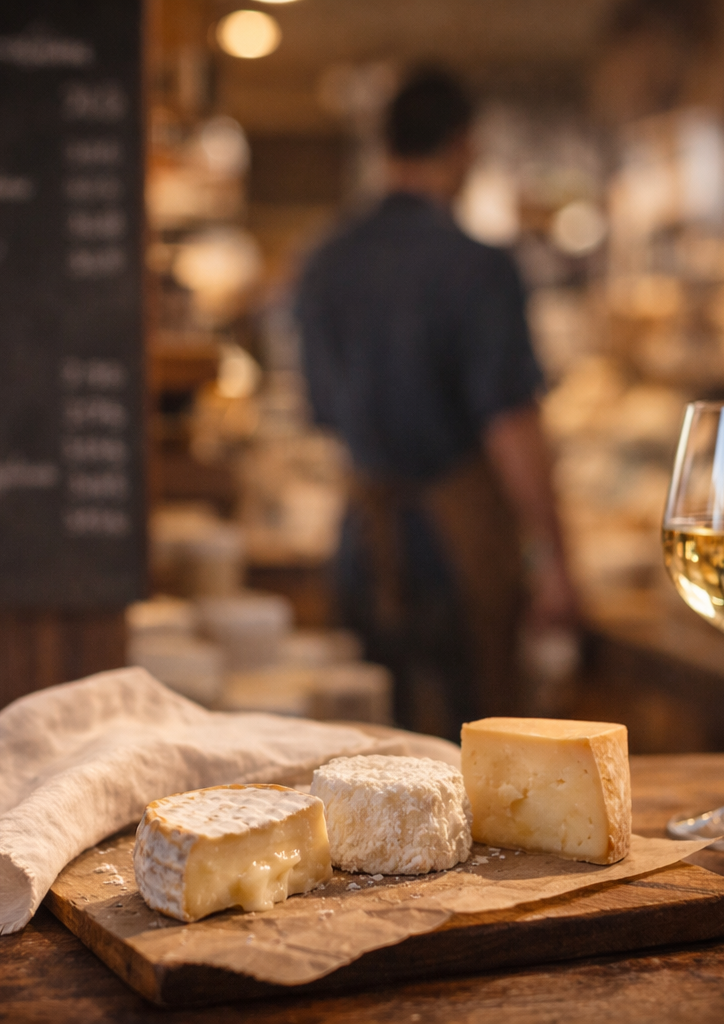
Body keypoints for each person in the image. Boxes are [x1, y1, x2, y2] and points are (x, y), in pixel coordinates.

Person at [293, 68, 579, 738]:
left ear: (383, 147)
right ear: (465, 145)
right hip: (459, 549)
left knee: (369, 759)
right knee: (475, 755)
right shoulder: (478, 265)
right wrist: (558, 562)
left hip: (362, 542)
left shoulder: (324, 261)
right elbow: (511, 423)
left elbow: (323, 412)